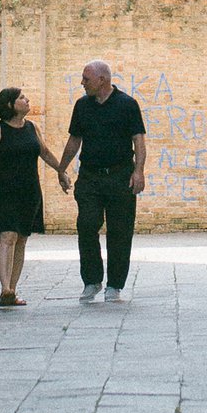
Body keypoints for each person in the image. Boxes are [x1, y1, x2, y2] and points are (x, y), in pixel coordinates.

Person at [57, 58, 146, 303]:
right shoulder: (82, 106)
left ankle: (115, 285)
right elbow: (74, 140)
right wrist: (61, 168)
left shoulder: (127, 104)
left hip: (120, 176)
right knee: (86, 225)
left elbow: (138, 140)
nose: (82, 83)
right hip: (90, 177)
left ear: (102, 80)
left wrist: (138, 171)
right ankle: (92, 281)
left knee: (120, 231)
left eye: (86, 79)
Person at [0, 87, 59, 309]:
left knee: (22, 239)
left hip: (29, 190)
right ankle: (5, 288)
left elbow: (44, 152)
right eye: (21, 98)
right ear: (10, 105)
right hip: (3, 190)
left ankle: (13, 290)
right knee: (7, 236)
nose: (27, 100)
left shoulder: (32, 128)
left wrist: (61, 171)